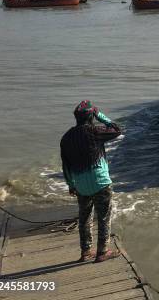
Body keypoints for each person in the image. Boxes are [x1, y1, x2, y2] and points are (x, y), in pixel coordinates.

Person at [61, 100, 122, 263]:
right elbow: (116, 129)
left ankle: (86, 251)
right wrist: (100, 115)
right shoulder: (94, 131)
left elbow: (66, 167)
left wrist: (71, 185)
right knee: (103, 217)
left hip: (81, 185)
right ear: (91, 117)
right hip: (100, 182)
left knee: (84, 218)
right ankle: (102, 252)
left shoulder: (66, 138)